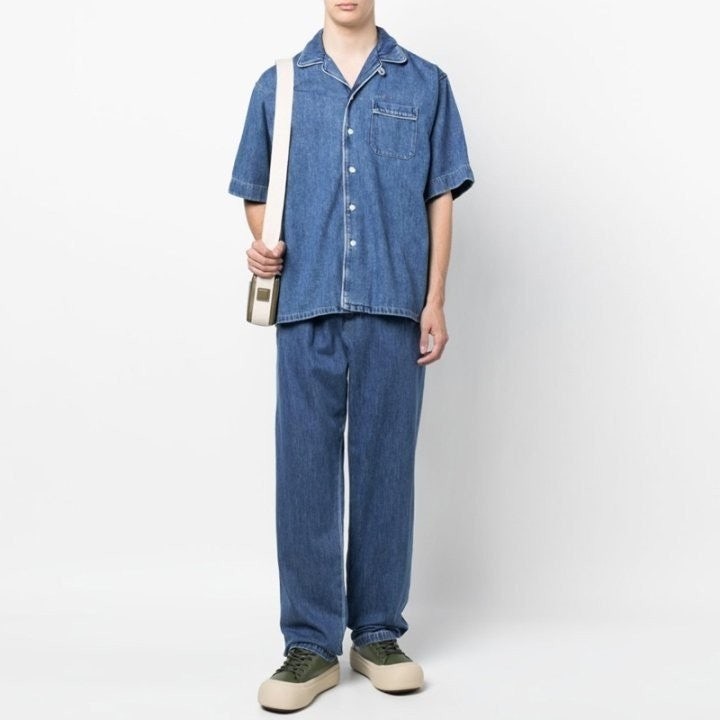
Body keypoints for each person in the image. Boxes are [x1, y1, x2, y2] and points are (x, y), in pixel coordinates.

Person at [228, 0, 474, 712]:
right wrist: (263, 244)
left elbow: (440, 195)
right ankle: (309, 644)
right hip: (305, 304)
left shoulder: (425, 82)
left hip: (394, 305)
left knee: (386, 471)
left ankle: (376, 634)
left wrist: (435, 299)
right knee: (304, 474)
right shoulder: (279, 84)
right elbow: (255, 191)